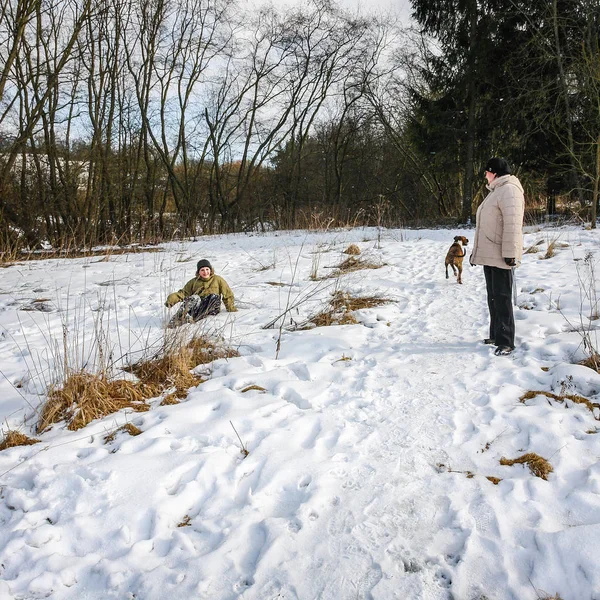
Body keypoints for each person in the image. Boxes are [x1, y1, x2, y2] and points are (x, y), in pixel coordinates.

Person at [470, 157, 525, 356]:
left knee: (502, 298)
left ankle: (506, 341)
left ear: (494, 172)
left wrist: (510, 254)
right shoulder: (497, 191)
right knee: (493, 297)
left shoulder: (509, 190)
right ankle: (495, 335)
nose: (485, 175)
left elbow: (513, 225)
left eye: (486, 172)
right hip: (491, 254)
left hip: (502, 255)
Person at [165, 259, 236, 327]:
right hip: (198, 308)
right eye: (202, 270)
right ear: (198, 272)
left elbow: (227, 294)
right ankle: (178, 318)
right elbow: (183, 293)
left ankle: (193, 318)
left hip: (212, 307)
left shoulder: (218, 279)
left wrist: (231, 308)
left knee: (214, 296)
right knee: (194, 298)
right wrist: (172, 299)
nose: (205, 272)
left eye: (207, 269)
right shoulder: (193, 282)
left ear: (211, 270)